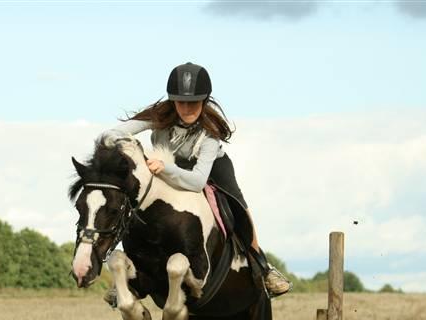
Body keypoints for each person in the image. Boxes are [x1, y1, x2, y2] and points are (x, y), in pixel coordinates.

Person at [98, 62, 291, 297]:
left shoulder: (210, 132)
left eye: (194, 102)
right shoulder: (158, 115)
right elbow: (110, 133)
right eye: (181, 102)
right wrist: (131, 149)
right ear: (172, 101)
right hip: (166, 164)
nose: (187, 108)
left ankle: (262, 265)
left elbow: (198, 181)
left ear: (205, 100)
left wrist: (165, 168)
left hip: (210, 169)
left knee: (238, 207)